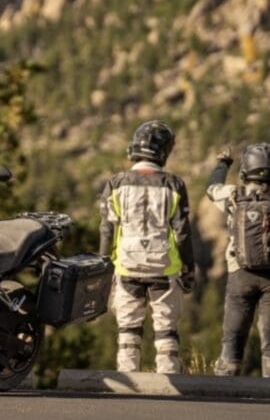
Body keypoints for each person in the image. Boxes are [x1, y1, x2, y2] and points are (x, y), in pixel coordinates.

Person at [99, 120, 195, 373]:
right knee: (166, 330)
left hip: (127, 265)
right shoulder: (174, 184)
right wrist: (189, 268)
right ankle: (168, 380)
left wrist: (103, 264)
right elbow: (183, 233)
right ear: (164, 151)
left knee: (128, 330)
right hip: (164, 266)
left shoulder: (116, 183)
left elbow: (107, 228)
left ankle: (128, 387)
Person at [206, 143, 270, 378]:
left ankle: (226, 387)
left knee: (233, 335)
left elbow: (211, 188)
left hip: (239, 274)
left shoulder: (234, 194)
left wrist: (223, 163)